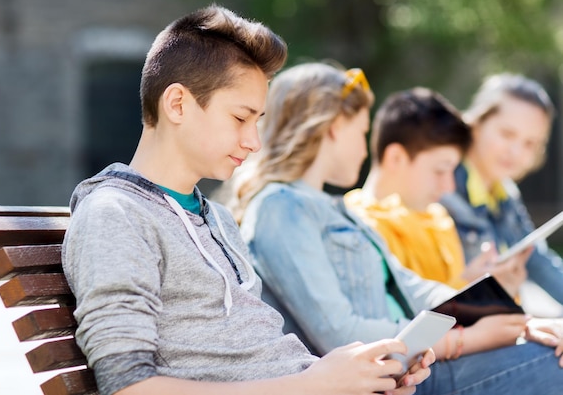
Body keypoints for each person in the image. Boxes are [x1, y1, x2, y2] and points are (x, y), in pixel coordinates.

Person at [61, 5, 433, 395]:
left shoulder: (217, 219)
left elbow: (259, 359)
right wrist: (316, 384)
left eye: (257, 122)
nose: (253, 142)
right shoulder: (116, 214)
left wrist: (358, 380)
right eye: (241, 118)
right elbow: (128, 386)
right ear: (177, 105)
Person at [232, 61, 563, 395]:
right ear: (333, 127)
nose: (365, 149)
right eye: (361, 132)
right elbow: (337, 330)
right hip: (391, 374)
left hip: (411, 368)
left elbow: (415, 288)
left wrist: (510, 319)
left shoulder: (337, 210)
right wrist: (461, 339)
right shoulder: (281, 208)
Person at [344, 87, 528, 297]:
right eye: (440, 170)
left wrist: (487, 289)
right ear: (396, 158)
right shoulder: (355, 228)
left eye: (453, 171)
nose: (449, 187)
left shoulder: (439, 220)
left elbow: (455, 310)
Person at [439, 73, 563, 308]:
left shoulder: (505, 192)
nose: (516, 152)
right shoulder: (441, 188)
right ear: (476, 123)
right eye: (507, 134)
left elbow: (536, 260)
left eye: (530, 143)